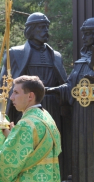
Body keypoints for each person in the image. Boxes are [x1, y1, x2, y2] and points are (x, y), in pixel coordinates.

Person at [0, 12, 69, 179]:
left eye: (47, 26)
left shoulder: (56, 56)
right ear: (30, 30)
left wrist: (55, 91)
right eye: (41, 27)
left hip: (50, 110)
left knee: (50, 151)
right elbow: (4, 85)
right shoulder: (15, 53)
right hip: (24, 108)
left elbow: (66, 84)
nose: (45, 30)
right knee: (22, 148)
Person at [46, 17, 94, 182]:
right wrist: (51, 90)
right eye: (84, 34)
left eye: (88, 34)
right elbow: (70, 86)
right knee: (80, 148)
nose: (84, 38)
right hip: (80, 116)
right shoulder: (81, 62)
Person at [0, 75, 61, 182]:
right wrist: (13, 136)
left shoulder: (26, 124)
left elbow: (6, 164)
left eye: (16, 92)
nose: (11, 97)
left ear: (30, 96)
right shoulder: (46, 117)